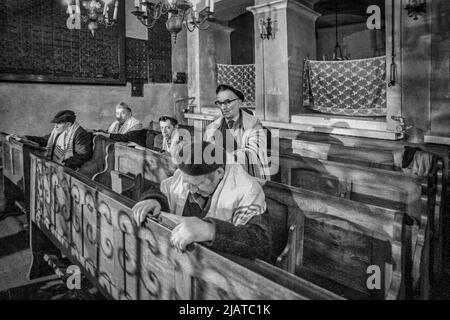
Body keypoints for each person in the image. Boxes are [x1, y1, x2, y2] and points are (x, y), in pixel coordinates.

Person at [132, 141, 273, 262]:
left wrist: (211, 230)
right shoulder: (188, 175)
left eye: (199, 184)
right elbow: (165, 190)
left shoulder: (246, 190)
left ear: (219, 173)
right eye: (187, 183)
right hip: (180, 260)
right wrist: (154, 200)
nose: (191, 190)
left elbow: (261, 244)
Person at [204, 84, 271, 180]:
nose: (223, 107)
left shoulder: (253, 125)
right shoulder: (211, 129)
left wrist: (221, 159)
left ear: (239, 102)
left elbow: (253, 153)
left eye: (228, 102)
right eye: (220, 103)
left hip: (246, 180)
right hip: (220, 181)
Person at [8, 110, 93, 170]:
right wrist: (25, 138)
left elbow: (83, 155)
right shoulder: (58, 131)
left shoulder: (79, 134)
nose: (55, 126)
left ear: (68, 124)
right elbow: (45, 140)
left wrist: (64, 164)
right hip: (57, 165)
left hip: (70, 169)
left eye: (58, 123)